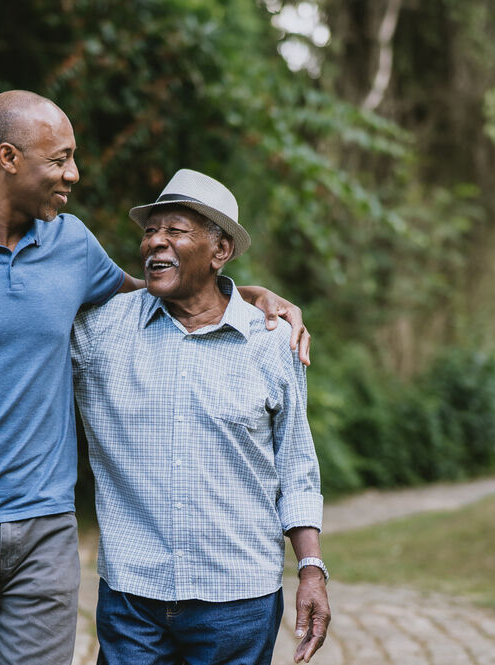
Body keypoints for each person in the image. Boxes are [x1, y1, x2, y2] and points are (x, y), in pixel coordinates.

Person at [0, 90, 307, 665]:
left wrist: (249, 296)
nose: (74, 173)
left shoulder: (71, 243)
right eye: (60, 159)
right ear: (8, 158)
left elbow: (160, 296)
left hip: (46, 528)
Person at [70, 169, 330, 664]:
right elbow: (14, 318)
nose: (155, 242)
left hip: (239, 602)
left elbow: (297, 467)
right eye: (150, 230)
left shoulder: (271, 343)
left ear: (220, 250)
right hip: (133, 598)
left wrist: (311, 568)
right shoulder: (100, 333)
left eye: (176, 230)